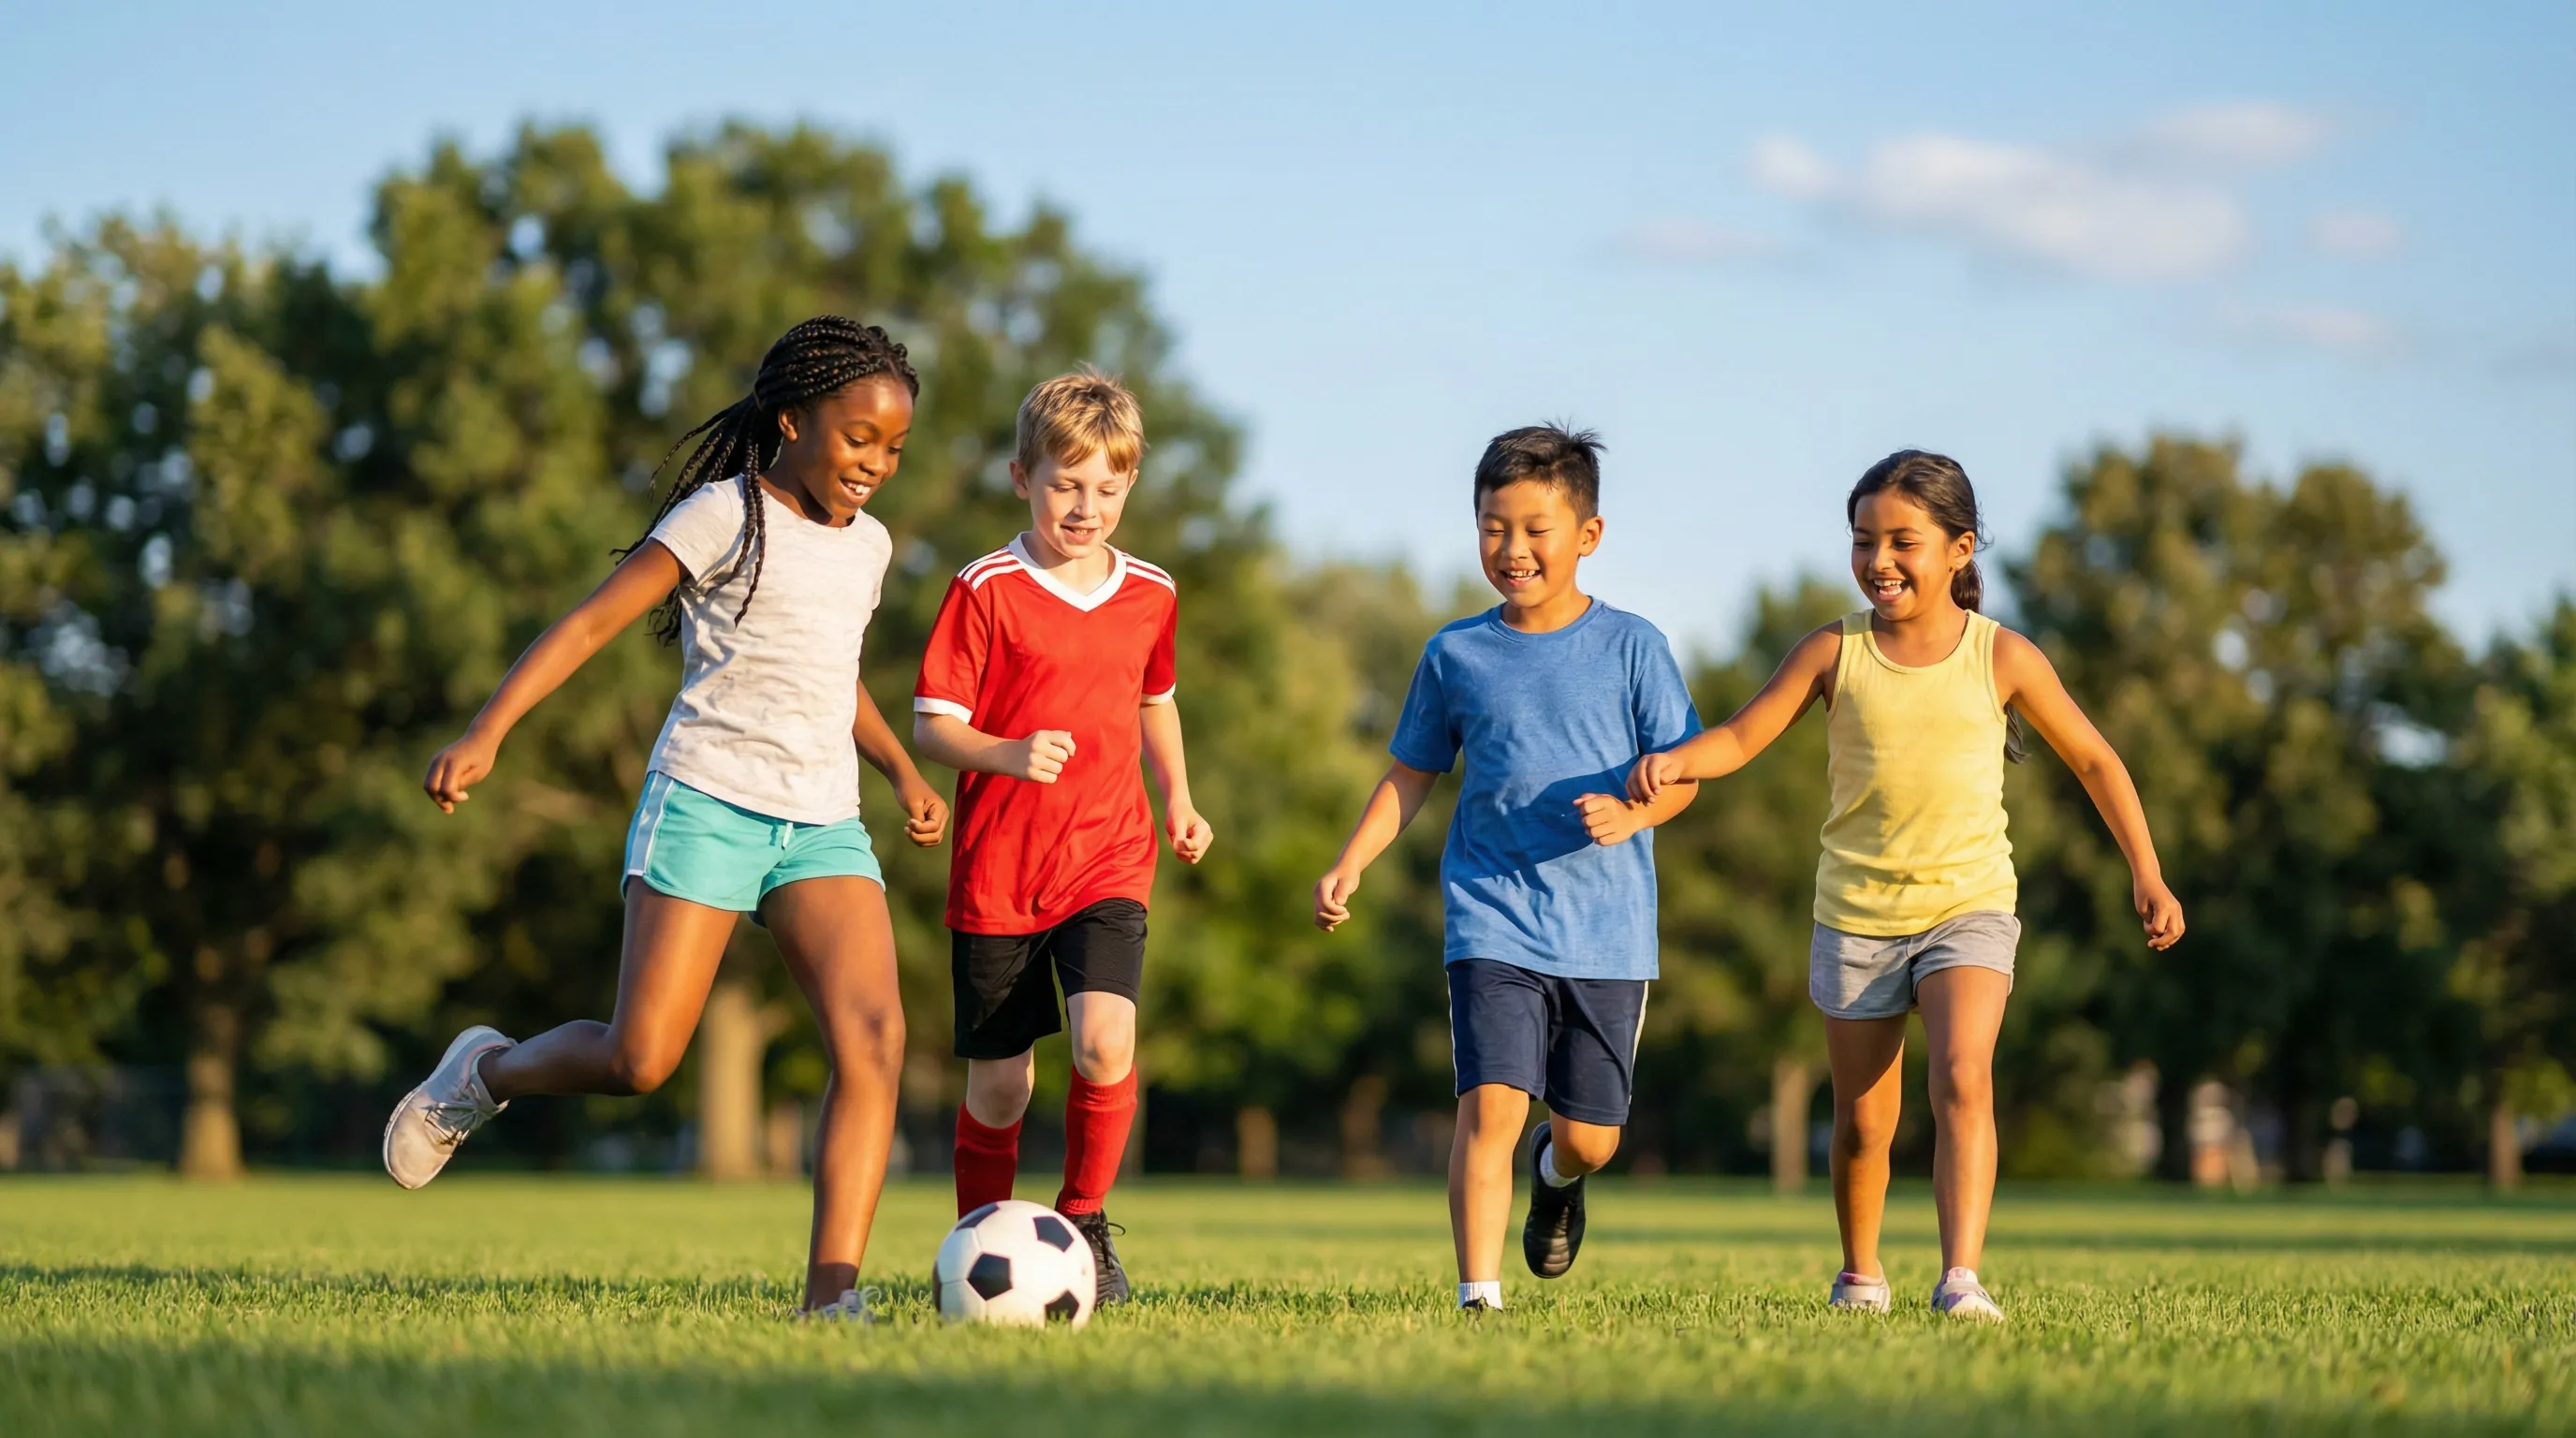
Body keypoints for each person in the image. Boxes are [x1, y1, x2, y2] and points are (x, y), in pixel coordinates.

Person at [385, 316, 948, 1321]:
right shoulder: (724, 514)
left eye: (894, 447)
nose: (877, 464)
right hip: (707, 804)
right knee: (639, 1061)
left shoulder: (870, 547)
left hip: (819, 823)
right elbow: (595, 619)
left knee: (874, 1042)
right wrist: (488, 730)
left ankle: (831, 1302)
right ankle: (488, 1070)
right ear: (792, 419)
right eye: (860, 437)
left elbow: (835, 675)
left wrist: (901, 769)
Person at [1631, 448, 2186, 1323]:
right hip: (1855, 915)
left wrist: (2147, 873)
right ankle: (1861, 1274)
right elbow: (1739, 740)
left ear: (1961, 549)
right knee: (1863, 1122)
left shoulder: (2003, 657)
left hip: (1969, 906)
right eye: (1862, 540)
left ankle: (1961, 1277)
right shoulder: (1832, 651)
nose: (1878, 560)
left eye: (1902, 541)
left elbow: (2093, 758)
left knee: (1964, 1077)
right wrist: (1672, 763)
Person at [1314, 424, 1701, 1313]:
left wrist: (1637, 810)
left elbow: (1686, 775)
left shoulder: (1634, 646)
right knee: (1491, 1103)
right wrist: (1351, 863)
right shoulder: (1456, 653)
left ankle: (1557, 1177)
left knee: (1593, 1138)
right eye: (1494, 527)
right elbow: (1410, 775)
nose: (1513, 549)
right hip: (1491, 915)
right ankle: (1477, 1297)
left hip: (1607, 932)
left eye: (1536, 528)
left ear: (1588, 537)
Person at [910, 367, 1213, 1309]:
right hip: (999, 870)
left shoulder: (1152, 593)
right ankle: (973, 1251)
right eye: (1064, 484)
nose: (1085, 508)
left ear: (1128, 488)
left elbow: (1154, 702)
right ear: (1020, 477)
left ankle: (1083, 1221)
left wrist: (1180, 801)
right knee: (1000, 1090)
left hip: (1108, 858)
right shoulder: (984, 588)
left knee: (1104, 1046)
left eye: (1107, 489)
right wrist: (1003, 752)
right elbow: (931, 726)